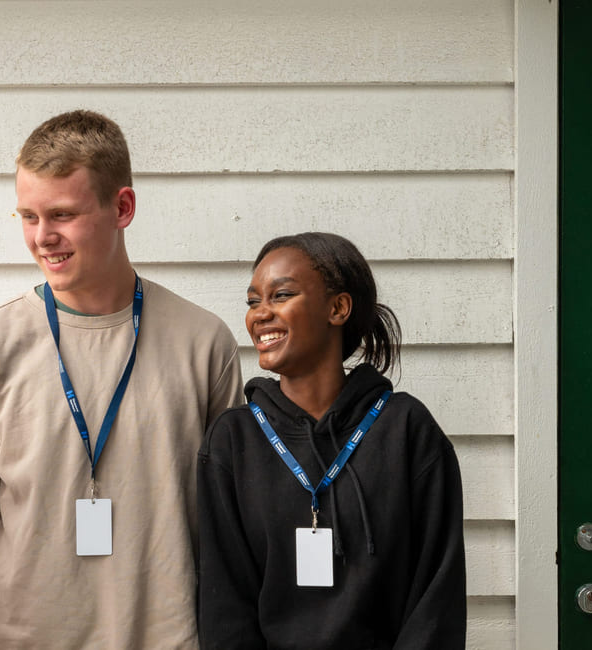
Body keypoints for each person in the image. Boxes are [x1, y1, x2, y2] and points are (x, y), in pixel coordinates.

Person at [0, 110, 243, 648]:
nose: (42, 237)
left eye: (62, 214)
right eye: (27, 217)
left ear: (122, 207)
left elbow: (223, 524)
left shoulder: (204, 345)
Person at [197, 232, 466, 649]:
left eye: (280, 295)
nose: (260, 315)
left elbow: (437, 595)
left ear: (338, 308)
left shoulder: (407, 430)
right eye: (253, 301)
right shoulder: (234, 440)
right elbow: (224, 604)